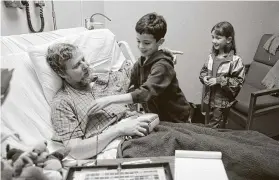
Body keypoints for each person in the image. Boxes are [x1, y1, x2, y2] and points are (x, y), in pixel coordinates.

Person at [46, 43, 152, 160]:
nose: (85, 66)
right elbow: (74, 150)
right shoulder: (63, 102)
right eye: (77, 65)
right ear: (62, 73)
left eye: (83, 60)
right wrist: (119, 129)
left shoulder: (107, 79)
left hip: (143, 127)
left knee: (174, 133)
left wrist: (162, 60)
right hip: (120, 145)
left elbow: (138, 72)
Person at [87, 12, 192, 123]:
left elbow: (145, 93)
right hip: (158, 115)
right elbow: (130, 83)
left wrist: (109, 100)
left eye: (146, 43)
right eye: (138, 41)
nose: (141, 46)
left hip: (176, 117)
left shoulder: (162, 66)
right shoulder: (141, 62)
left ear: (160, 42)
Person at [199, 21, 245, 128]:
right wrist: (204, 77)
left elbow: (238, 82)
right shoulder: (211, 57)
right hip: (208, 100)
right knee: (208, 126)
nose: (213, 41)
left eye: (218, 38)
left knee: (216, 129)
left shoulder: (235, 61)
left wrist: (218, 80)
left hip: (222, 103)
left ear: (229, 39)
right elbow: (204, 71)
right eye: (212, 37)